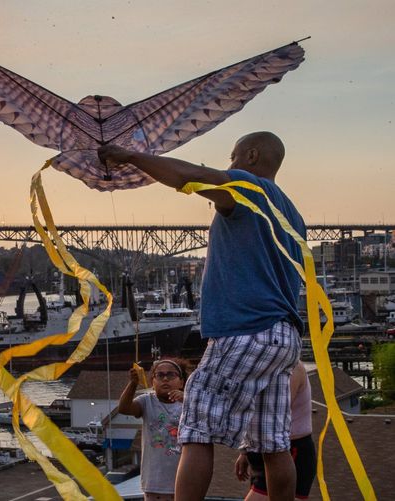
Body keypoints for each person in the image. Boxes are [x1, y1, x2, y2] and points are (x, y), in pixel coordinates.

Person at [99, 131, 307, 501]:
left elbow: (187, 176)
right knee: (274, 444)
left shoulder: (249, 187)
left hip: (244, 331)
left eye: (232, 156)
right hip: (283, 340)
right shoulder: (292, 213)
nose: (228, 165)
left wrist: (129, 155)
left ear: (252, 155)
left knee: (196, 430)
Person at [235, 361, 316, 500]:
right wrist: (245, 452)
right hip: (263, 449)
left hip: (291, 451)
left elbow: (273, 412)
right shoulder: (266, 366)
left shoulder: (293, 368)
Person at [118, 358, 191, 501]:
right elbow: (124, 408)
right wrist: (133, 383)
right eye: (160, 375)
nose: (165, 379)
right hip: (155, 483)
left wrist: (188, 400)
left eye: (171, 375)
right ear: (153, 382)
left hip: (185, 481)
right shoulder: (146, 401)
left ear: (182, 382)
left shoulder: (190, 403)